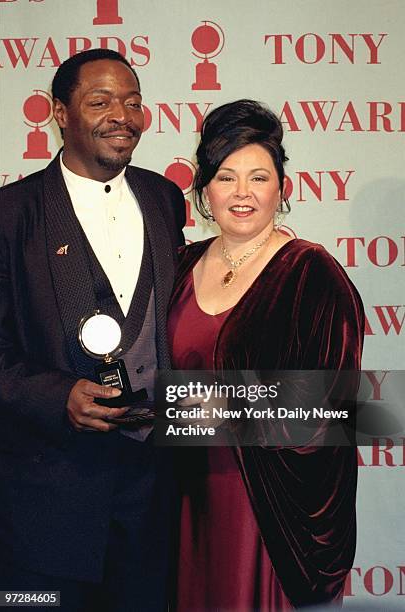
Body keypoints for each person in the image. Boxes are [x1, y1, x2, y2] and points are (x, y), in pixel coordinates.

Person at [0, 49, 185, 611]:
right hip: (45, 506)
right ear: (59, 113)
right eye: (99, 101)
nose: (121, 116)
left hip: (152, 500)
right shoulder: (10, 214)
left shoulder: (164, 197)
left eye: (133, 102)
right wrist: (59, 397)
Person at [167, 99, 364, 610]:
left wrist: (226, 410)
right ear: (204, 188)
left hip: (269, 513)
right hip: (186, 504)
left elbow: (332, 408)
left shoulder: (311, 273)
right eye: (226, 177)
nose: (242, 193)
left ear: (282, 187)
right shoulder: (178, 266)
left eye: (258, 177)